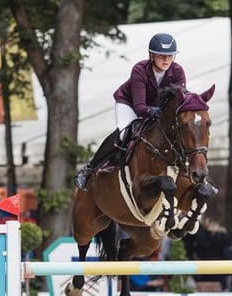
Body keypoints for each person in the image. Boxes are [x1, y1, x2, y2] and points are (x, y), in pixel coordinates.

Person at [73, 32, 187, 191]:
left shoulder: (178, 71)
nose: (166, 60)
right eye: (161, 55)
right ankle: (89, 170)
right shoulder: (140, 69)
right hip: (129, 104)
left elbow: (179, 100)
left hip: (157, 109)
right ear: (151, 55)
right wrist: (153, 111)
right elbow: (140, 107)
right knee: (124, 133)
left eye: (170, 55)